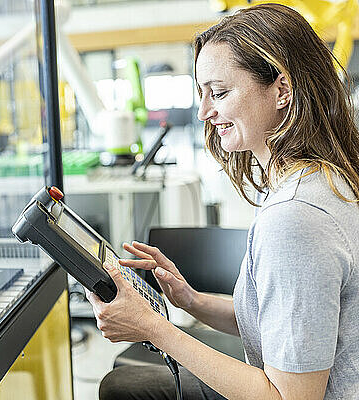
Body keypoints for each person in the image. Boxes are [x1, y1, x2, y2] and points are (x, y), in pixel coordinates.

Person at [89, 4, 359, 400]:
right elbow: (292, 327)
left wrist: (153, 328)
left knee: (124, 391)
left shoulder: (297, 217)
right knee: (126, 386)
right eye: (202, 94)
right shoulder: (326, 178)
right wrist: (192, 301)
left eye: (218, 92)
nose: (203, 112)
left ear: (282, 89)